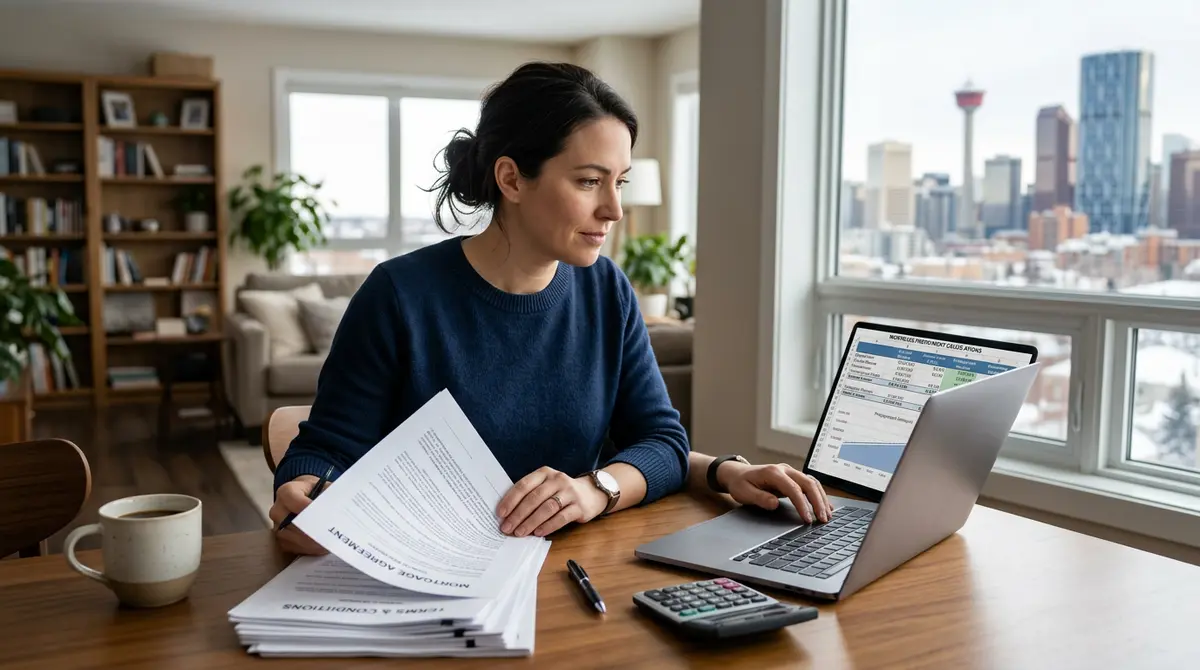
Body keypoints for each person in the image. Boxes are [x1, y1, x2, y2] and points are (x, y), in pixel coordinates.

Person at [269, 61, 830, 556]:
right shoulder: (399, 295)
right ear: (511, 178)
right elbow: (323, 451)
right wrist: (304, 493)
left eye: (620, 182)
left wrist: (593, 490)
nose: (613, 209)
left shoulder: (607, 290)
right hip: (427, 571)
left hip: (573, 568)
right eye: (589, 181)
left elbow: (661, 442)